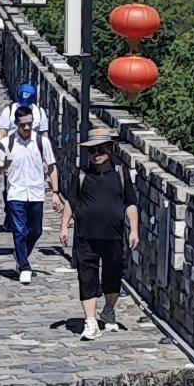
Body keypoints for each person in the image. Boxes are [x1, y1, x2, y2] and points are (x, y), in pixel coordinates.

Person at [59, 128, 140, 341]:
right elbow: (71, 201)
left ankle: (109, 310)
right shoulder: (82, 174)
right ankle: (91, 321)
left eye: (101, 149)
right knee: (87, 277)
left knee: (113, 275)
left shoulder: (121, 175)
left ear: (111, 150)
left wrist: (134, 229)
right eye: (93, 150)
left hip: (113, 235)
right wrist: (64, 226)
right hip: (86, 235)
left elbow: (130, 203)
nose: (97, 154)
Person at [0, 105, 58, 285]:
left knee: (36, 230)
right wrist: (5, 165)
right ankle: (24, 266)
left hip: (36, 192)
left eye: (29, 124)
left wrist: (56, 192)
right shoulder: (7, 142)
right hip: (16, 192)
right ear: (16, 124)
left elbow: (52, 166)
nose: (26, 128)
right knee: (19, 230)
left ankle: (20, 254)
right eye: (23, 124)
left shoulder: (41, 142)